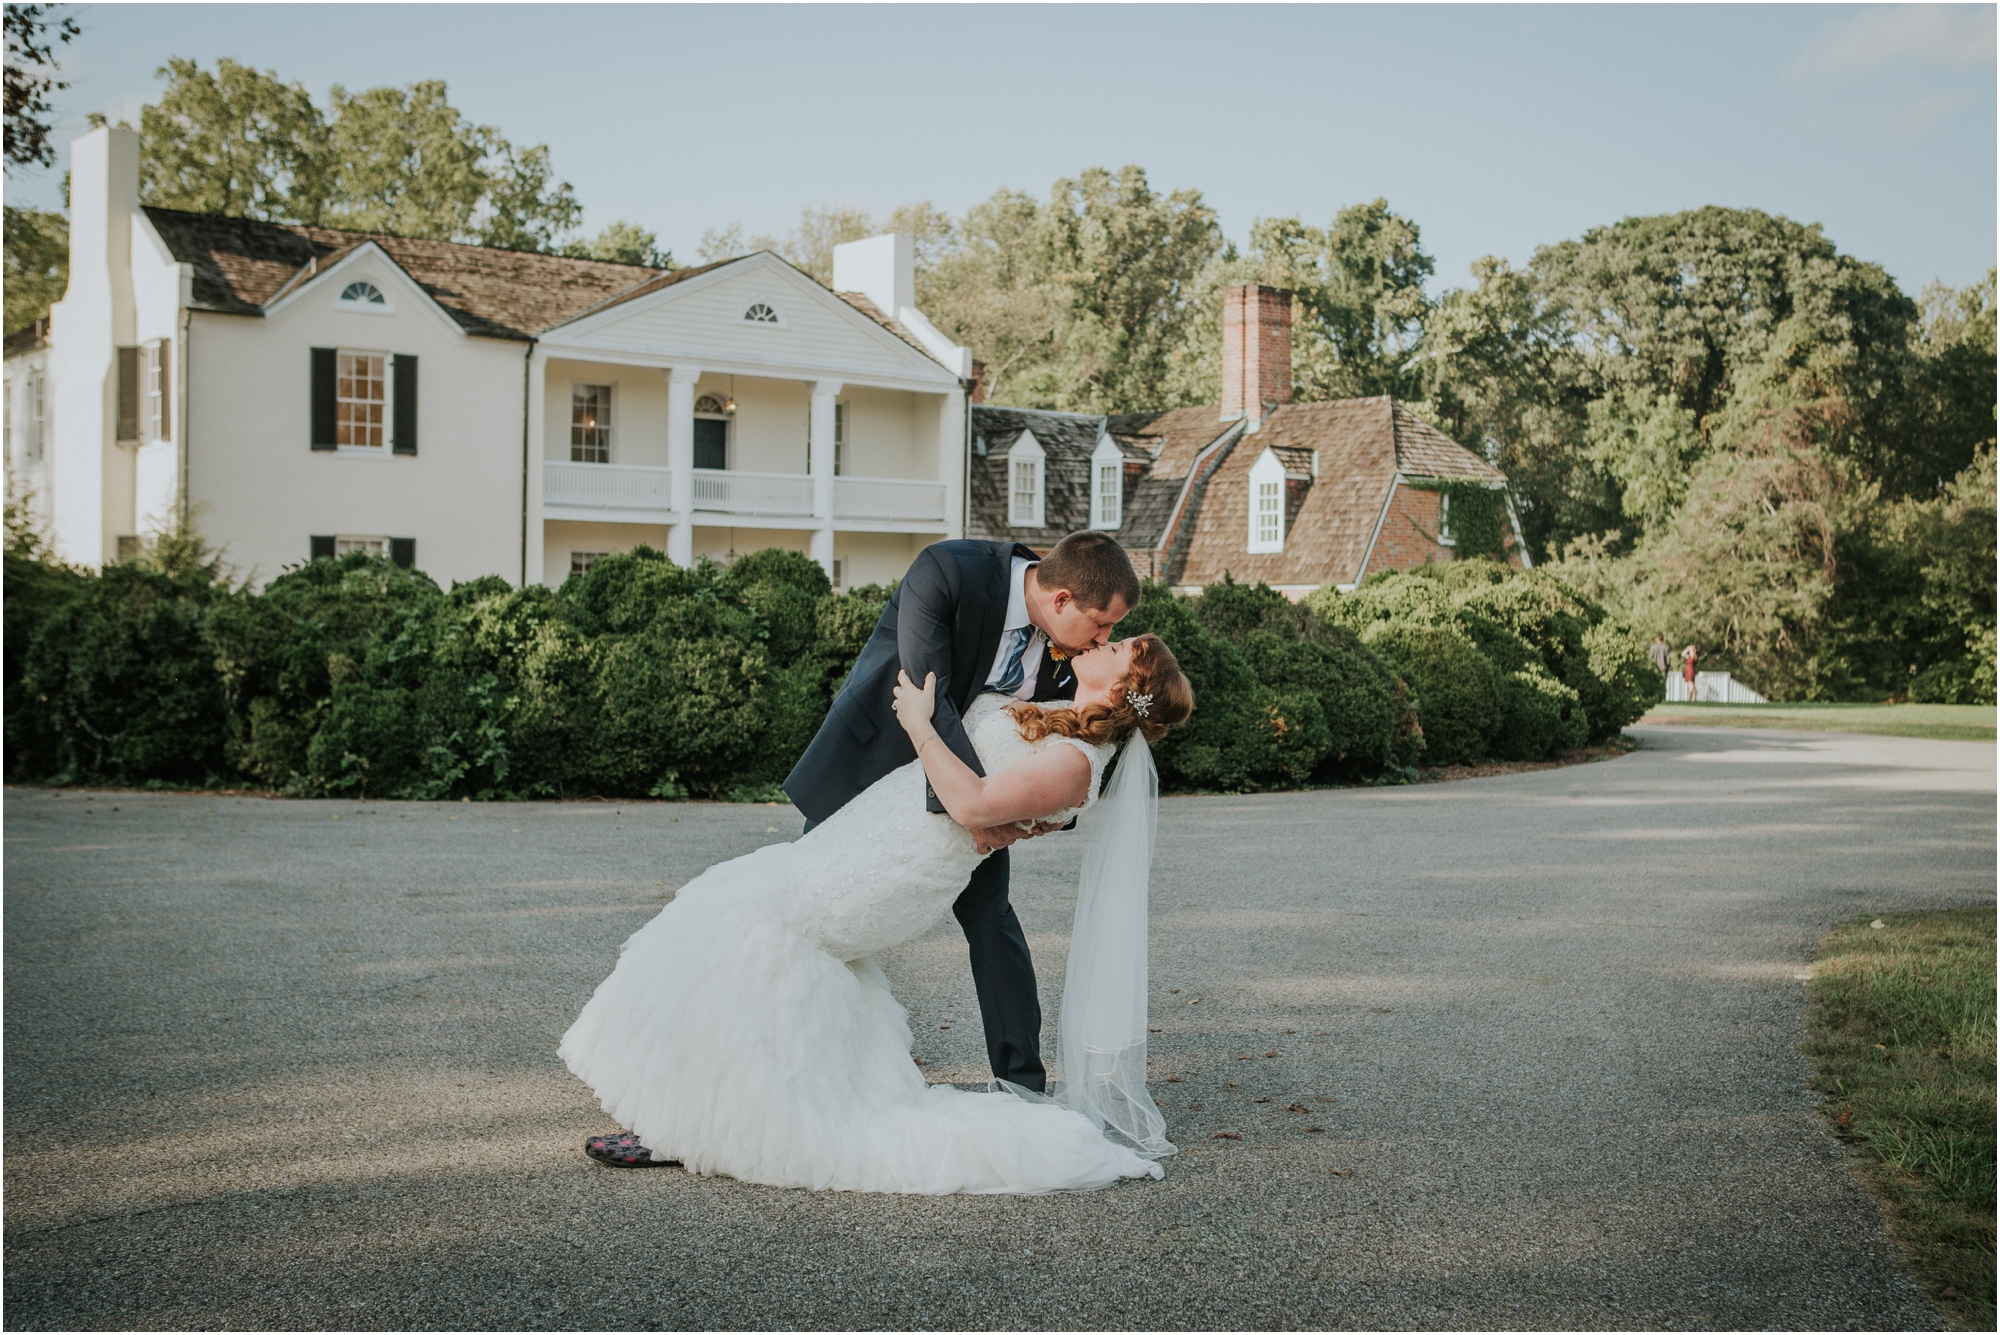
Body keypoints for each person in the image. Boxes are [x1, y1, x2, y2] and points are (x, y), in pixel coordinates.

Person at [559, 630, 1195, 1193]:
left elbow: (973, 805)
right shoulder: (1063, 716)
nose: (1103, 641)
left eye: (1117, 648)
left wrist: (920, 722)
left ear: (1120, 688)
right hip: (876, 836)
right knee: (750, 941)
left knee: (741, 926)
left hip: (893, 870)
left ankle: (680, 1126)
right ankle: (685, 1118)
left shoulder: (1077, 763)